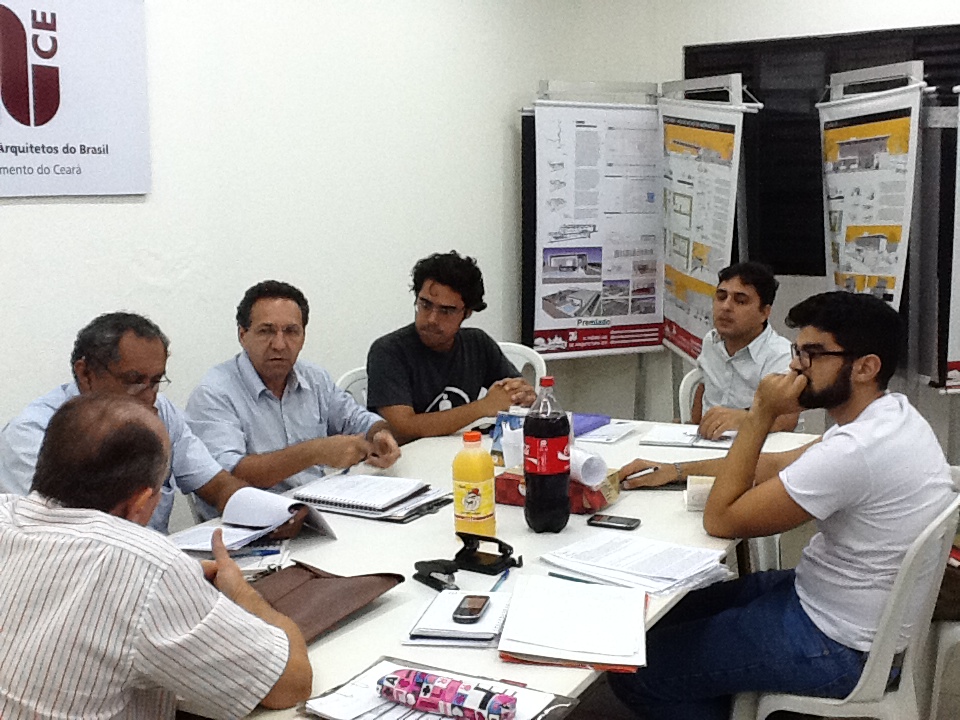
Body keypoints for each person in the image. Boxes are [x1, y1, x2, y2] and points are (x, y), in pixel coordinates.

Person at [612, 291, 956, 720]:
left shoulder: (855, 450)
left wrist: (760, 413)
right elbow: (777, 463)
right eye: (798, 351)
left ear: (866, 367)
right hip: (835, 603)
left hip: (837, 644)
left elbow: (722, 519)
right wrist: (678, 469)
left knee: (635, 668)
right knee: (663, 616)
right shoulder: (888, 415)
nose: (795, 367)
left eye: (813, 354)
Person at [0, 393, 311, 718]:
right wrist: (241, 591)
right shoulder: (148, 568)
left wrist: (176, 583)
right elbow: (290, 684)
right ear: (140, 502)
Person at [0, 312, 248, 533]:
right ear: (85, 374)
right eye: (134, 381)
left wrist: (265, 514)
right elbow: (64, 535)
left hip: (155, 557)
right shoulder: (32, 433)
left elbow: (217, 484)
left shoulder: (162, 411)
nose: (149, 395)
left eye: (155, 381)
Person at [186, 280, 401, 492]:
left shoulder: (314, 378)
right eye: (266, 331)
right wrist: (315, 451)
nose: (279, 344)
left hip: (320, 500)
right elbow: (226, 478)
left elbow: (357, 419)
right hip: (254, 511)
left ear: (303, 336)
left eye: (291, 331)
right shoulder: (214, 393)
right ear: (243, 335)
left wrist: (379, 433)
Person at [366, 250, 536, 443]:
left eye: (446, 311)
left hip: (463, 451)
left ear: (467, 313)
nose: (432, 319)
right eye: (425, 305)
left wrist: (522, 395)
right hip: (404, 457)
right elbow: (403, 428)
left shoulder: (478, 343)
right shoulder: (388, 351)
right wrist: (483, 407)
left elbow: (518, 396)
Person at [692, 261, 798, 439]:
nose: (726, 307)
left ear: (764, 312)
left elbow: (786, 419)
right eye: (721, 297)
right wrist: (691, 427)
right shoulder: (711, 341)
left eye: (740, 301)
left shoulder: (782, 355)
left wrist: (743, 419)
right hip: (709, 442)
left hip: (762, 444)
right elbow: (704, 387)